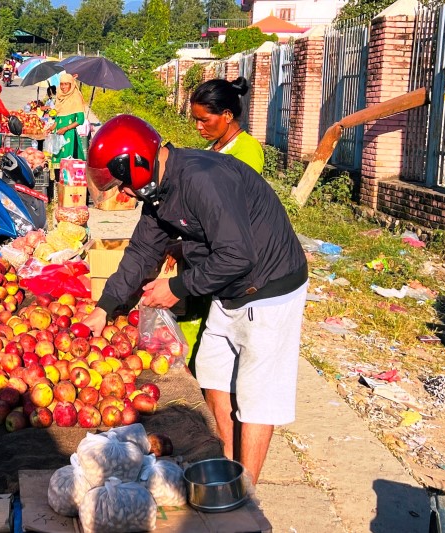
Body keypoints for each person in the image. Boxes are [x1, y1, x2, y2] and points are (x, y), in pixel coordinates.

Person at [80, 114, 308, 486]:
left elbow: (238, 255)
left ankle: (244, 491)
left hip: (270, 288)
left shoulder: (203, 180)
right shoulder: (159, 193)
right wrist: (104, 308)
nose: (122, 193)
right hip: (228, 288)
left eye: (122, 183)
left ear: (136, 165)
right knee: (214, 374)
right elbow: (141, 253)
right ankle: (229, 467)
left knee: (256, 396)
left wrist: (177, 287)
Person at [189, 77, 264, 173]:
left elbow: (242, 186)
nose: (198, 126)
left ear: (227, 115)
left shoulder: (248, 149)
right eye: (196, 120)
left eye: (204, 120)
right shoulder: (214, 144)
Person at [49, 73, 86, 164]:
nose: (63, 87)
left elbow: (80, 120)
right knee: (56, 161)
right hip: (58, 134)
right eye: (61, 84)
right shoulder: (60, 97)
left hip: (69, 135)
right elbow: (58, 119)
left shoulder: (75, 97)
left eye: (66, 84)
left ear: (71, 84)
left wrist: (65, 129)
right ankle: (57, 178)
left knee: (67, 162)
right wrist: (51, 128)